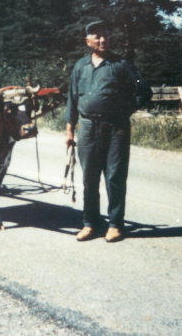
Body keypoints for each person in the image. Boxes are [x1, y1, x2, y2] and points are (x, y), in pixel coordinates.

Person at [65, 20, 152, 243]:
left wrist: (126, 111)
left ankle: (114, 225)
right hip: (87, 129)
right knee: (89, 180)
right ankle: (90, 224)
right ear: (88, 40)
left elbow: (144, 90)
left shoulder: (122, 65)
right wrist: (69, 131)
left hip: (116, 129)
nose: (102, 39)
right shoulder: (79, 67)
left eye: (106, 36)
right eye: (97, 36)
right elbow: (72, 100)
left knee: (114, 177)